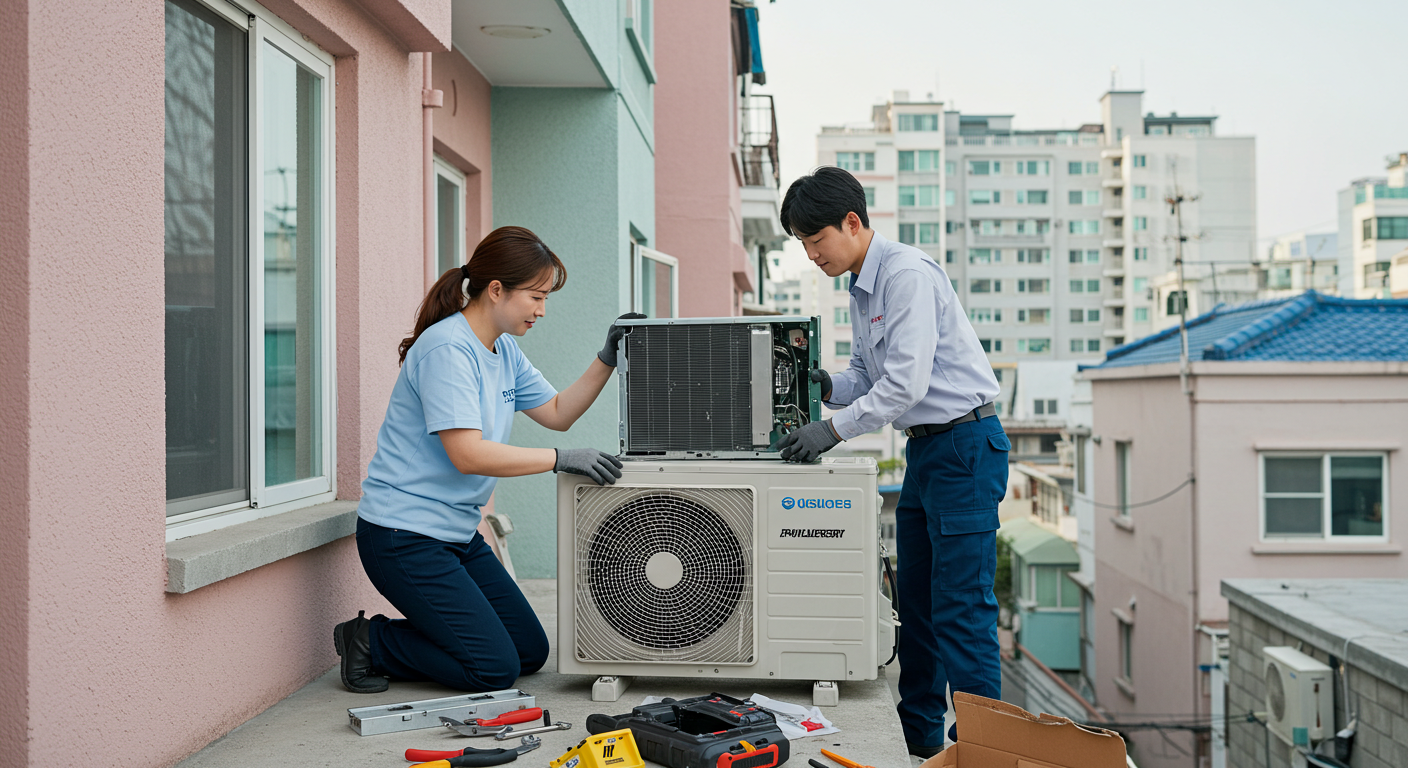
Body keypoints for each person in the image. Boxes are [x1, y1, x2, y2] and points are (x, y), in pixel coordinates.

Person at [333, 226, 641, 694]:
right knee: (492, 668)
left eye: (545, 298)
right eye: (536, 297)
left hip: (455, 534)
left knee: (528, 652)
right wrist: (560, 460)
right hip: (402, 536)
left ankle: (434, 638)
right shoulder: (447, 349)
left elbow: (557, 413)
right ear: (496, 289)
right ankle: (371, 641)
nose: (541, 310)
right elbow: (467, 454)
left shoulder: (504, 349)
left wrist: (607, 356)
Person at [772, 167, 1008, 758]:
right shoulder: (861, 286)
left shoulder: (906, 274)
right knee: (918, 607)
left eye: (816, 239)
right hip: (926, 451)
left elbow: (905, 383)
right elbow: (867, 375)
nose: (811, 254)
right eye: (802, 244)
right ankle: (920, 743)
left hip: (965, 447)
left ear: (852, 223)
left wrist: (831, 430)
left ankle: (983, 750)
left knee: (962, 608)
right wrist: (829, 386)